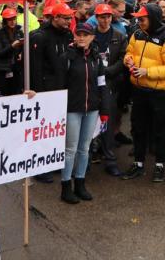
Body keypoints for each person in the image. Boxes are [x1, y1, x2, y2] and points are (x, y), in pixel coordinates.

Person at [122, 3, 165, 182]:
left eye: (143, 18)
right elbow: (128, 53)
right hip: (138, 91)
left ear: (153, 18)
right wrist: (128, 61)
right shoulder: (137, 33)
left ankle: (159, 165)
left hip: (158, 93)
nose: (139, 21)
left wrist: (148, 72)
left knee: (159, 130)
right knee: (138, 128)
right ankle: (138, 163)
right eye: (138, 18)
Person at [60, 23, 109, 204]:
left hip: (92, 108)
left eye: (85, 35)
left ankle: (80, 183)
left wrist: (104, 110)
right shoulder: (67, 57)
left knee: (85, 148)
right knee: (70, 149)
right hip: (72, 109)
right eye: (78, 34)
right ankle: (66, 185)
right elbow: (59, 83)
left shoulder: (96, 58)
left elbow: (102, 85)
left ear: (92, 37)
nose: (81, 37)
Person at [91, 4, 128, 177]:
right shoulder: (89, 34)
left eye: (108, 16)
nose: (105, 20)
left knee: (108, 121)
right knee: (90, 121)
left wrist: (109, 71)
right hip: (91, 84)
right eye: (101, 16)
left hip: (110, 84)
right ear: (96, 17)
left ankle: (110, 159)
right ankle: (91, 154)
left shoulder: (119, 36)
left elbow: (123, 59)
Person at [0, 7, 25, 96]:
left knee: (16, 93)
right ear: (5, 21)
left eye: (14, 19)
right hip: (2, 70)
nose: (12, 21)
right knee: (3, 94)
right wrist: (12, 46)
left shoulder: (19, 32)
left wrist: (21, 53)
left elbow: (23, 48)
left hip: (16, 69)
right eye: (9, 19)